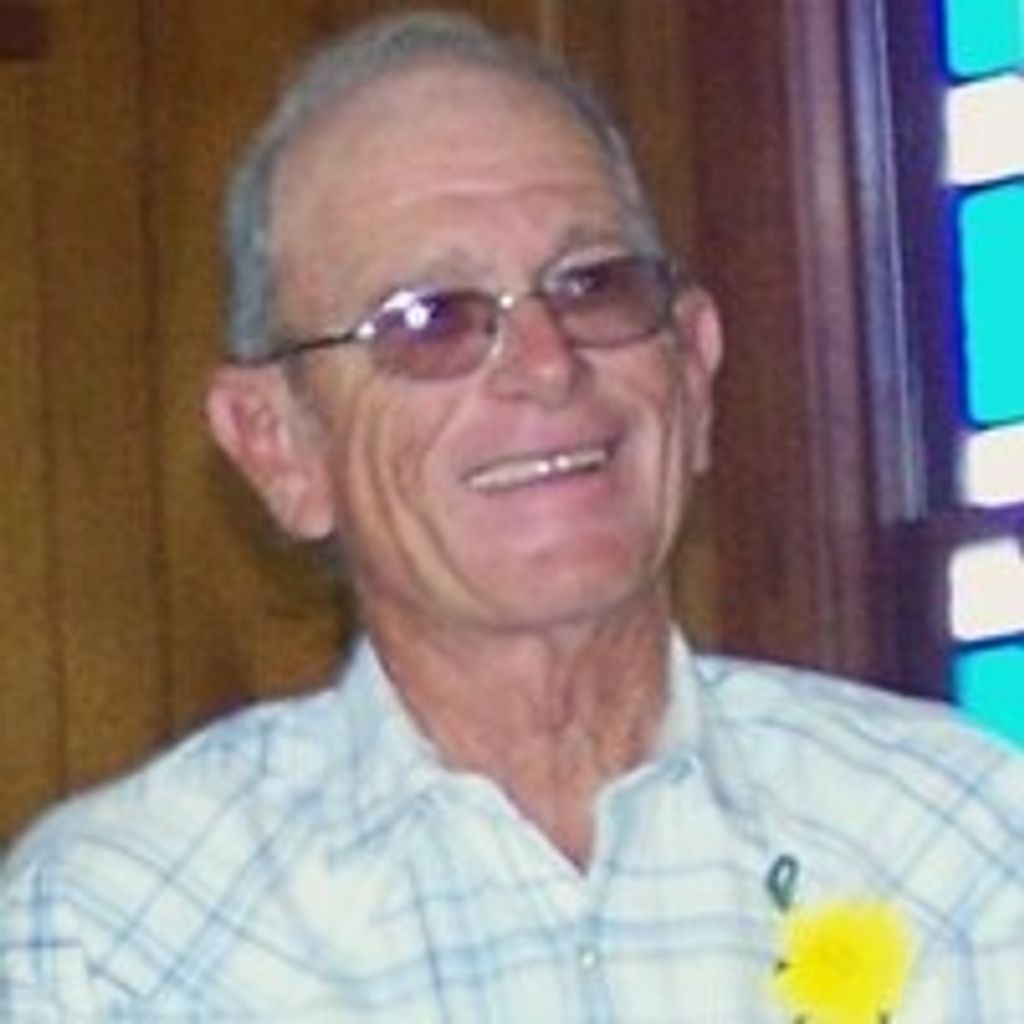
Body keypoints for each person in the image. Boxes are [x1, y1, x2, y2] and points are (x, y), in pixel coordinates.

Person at [1, 10, 1021, 1021]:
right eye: (430, 320)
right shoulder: (117, 944)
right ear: (280, 445)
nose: (546, 363)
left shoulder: (963, 847)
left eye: (592, 285)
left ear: (695, 370)